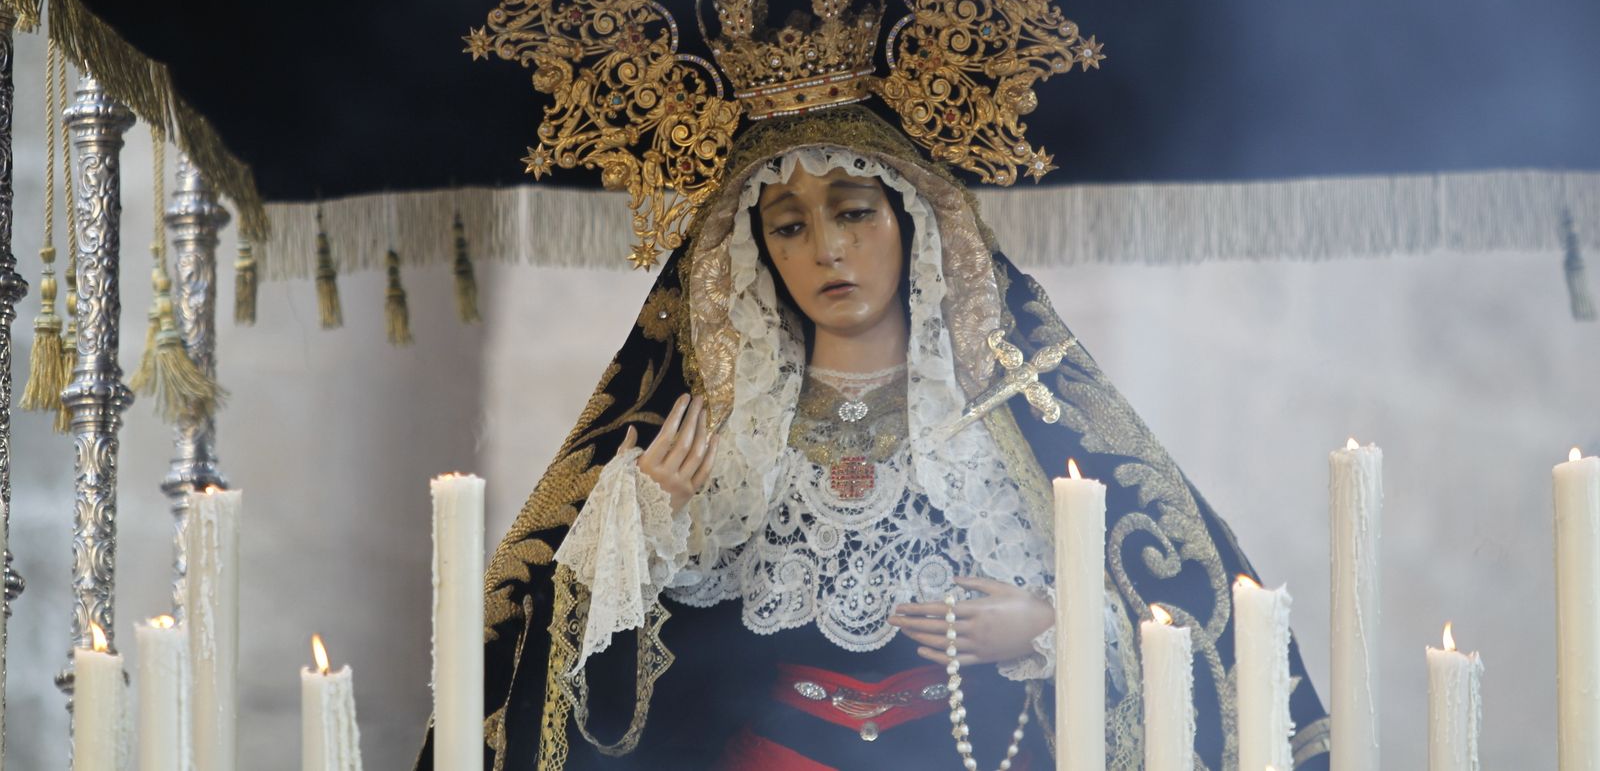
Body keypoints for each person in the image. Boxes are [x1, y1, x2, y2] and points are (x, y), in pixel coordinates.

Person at [415, 107, 1333, 771]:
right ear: (757, 249)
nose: (827, 250)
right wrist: (640, 529)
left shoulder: (1016, 422)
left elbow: (1180, 612)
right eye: (790, 224)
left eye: (854, 210)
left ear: (913, 221)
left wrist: (1051, 625)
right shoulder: (718, 438)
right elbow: (578, 673)